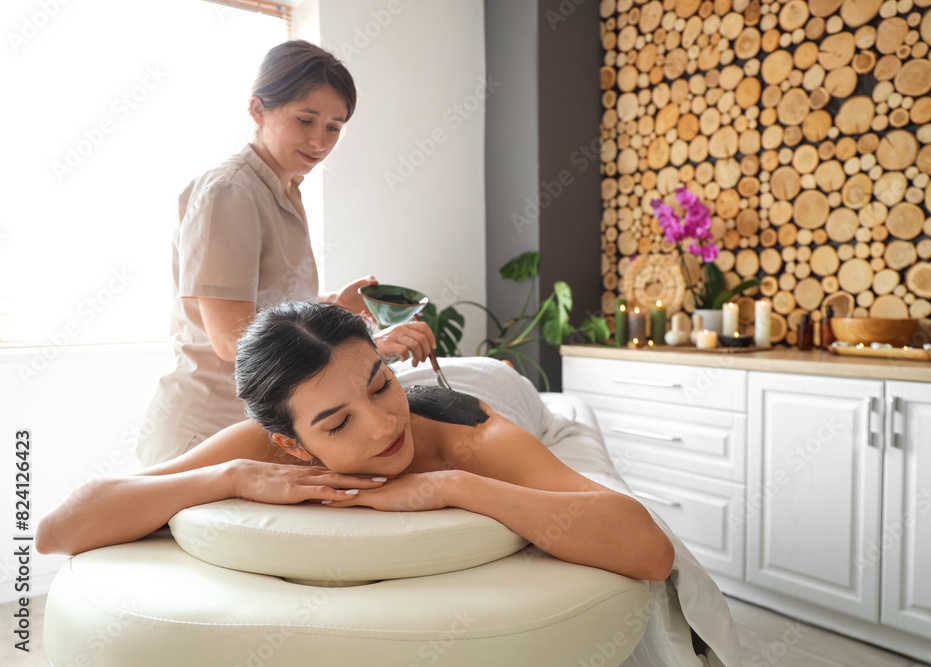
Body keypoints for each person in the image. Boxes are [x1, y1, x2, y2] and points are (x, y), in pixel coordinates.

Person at [38, 302, 674, 582]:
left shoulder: (467, 438)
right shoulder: (262, 446)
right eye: (337, 424)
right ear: (289, 444)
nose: (380, 426)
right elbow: (56, 530)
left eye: (379, 384)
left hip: (484, 392)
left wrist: (455, 486)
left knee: (518, 386)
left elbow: (648, 550)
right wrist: (227, 477)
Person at [137, 40, 434, 467]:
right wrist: (368, 351)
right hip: (205, 428)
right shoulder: (231, 192)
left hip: (253, 426)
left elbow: (266, 312)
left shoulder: (283, 189)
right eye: (305, 119)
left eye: (334, 126)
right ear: (258, 110)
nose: (319, 140)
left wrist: (333, 307)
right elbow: (229, 339)